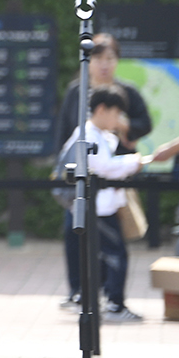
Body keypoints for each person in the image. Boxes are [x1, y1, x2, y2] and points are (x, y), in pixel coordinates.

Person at [58, 84, 179, 322]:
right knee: (116, 255)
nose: (119, 120)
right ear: (102, 109)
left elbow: (108, 160)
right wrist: (138, 161)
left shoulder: (96, 134)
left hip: (102, 206)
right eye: (117, 113)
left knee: (107, 255)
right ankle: (114, 304)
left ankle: (103, 300)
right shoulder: (88, 135)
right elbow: (104, 167)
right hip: (97, 208)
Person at [53, 33, 152, 308]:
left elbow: (144, 123)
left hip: (113, 180)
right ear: (88, 60)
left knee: (111, 241)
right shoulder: (77, 90)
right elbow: (63, 131)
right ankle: (79, 291)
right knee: (75, 234)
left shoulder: (126, 92)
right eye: (97, 58)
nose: (104, 64)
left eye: (110, 58)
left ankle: (110, 295)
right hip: (80, 180)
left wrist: (122, 126)